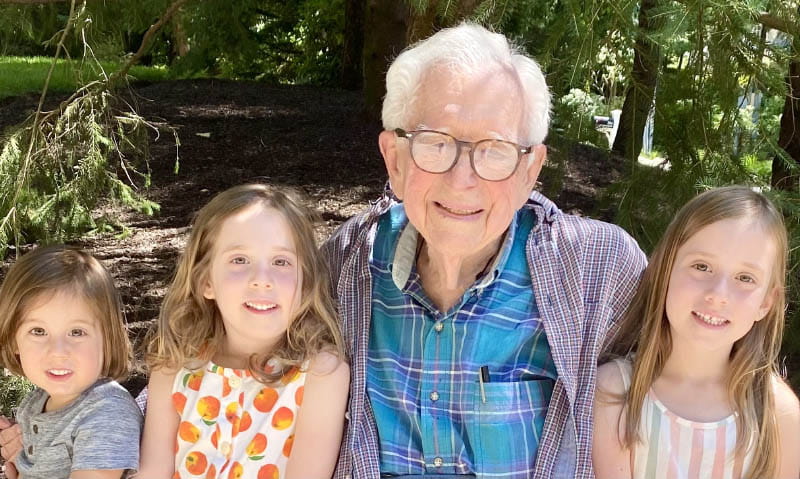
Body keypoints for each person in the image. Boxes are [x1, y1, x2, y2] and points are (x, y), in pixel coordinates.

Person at [322, 23, 647, 479]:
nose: (462, 180)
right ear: (395, 159)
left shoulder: (597, 271)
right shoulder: (347, 264)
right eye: (435, 143)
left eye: (494, 151)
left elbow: (700, 378)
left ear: (529, 171)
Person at [136, 184, 349, 479]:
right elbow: (153, 473)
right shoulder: (174, 366)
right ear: (205, 281)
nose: (262, 280)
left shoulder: (320, 373)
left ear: (306, 282)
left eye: (281, 262)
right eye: (240, 260)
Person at [593, 186, 800, 479]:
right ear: (664, 271)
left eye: (745, 278)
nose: (718, 294)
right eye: (702, 266)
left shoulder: (778, 414)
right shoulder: (616, 392)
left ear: (766, 303)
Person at [0, 245, 142, 479]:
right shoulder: (33, 405)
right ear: (14, 340)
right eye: (38, 331)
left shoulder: (108, 412)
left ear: (107, 339)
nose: (58, 351)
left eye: (76, 332)